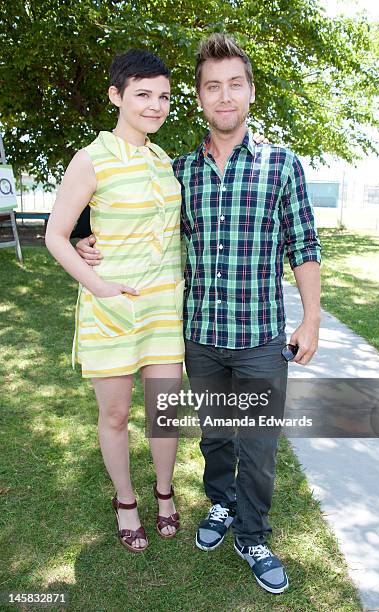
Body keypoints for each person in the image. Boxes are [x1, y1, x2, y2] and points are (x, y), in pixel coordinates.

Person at [77, 34, 321, 594]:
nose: (225, 95)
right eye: (213, 86)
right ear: (201, 97)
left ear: (250, 93)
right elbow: (137, 216)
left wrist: (310, 319)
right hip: (201, 338)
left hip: (261, 338)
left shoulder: (282, 164)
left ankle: (253, 533)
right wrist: (88, 238)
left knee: (257, 448)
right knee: (215, 437)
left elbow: (303, 244)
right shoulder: (180, 169)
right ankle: (218, 506)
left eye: (235, 84)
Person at [45, 49, 186, 553]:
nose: (154, 105)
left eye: (163, 96)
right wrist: (97, 283)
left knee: (163, 412)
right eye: (143, 95)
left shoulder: (163, 159)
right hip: (111, 307)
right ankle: (126, 500)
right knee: (116, 415)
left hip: (163, 309)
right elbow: (56, 234)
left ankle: (165, 493)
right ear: (117, 95)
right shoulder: (92, 157)